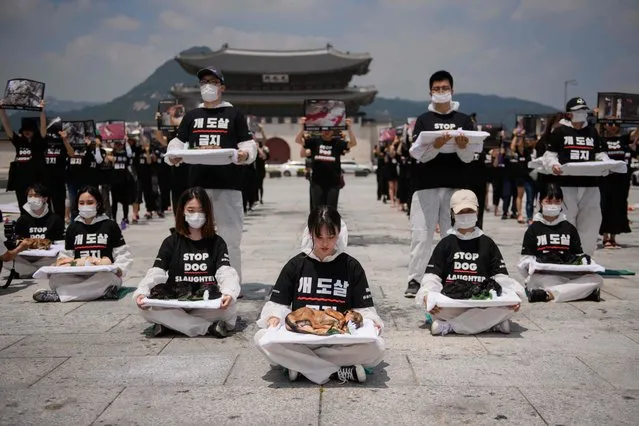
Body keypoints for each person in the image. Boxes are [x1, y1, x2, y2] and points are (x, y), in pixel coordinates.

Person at [255, 206, 384, 384]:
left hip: (338, 339)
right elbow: (278, 304)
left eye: (331, 237)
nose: (325, 243)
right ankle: (337, 371)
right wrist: (273, 317)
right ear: (310, 234)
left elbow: (364, 309)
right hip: (302, 337)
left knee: (376, 347)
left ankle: (302, 366)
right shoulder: (296, 265)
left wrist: (372, 322)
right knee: (262, 338)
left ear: (339, 233)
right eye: (319, 237)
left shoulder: (351, 266)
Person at [166, 66, 257, 286]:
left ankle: (232, 283)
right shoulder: (192, 116)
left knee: (230, 237)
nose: (208, 86)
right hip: (197, 186)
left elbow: (247, 144)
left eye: (213, 82)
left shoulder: (233, 114)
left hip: (228, 184)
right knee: (196, 233)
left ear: (222, 87)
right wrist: (173, 156)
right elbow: (177, 143)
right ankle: (199, 278)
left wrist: (245, 154)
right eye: (204, 82)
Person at [133, 187, 240, 338]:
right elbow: (156, 272)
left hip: (206, 303)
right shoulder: (171, 242)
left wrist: (229, 292)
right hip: (177, 302)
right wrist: (142, 291)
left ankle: (172, 325)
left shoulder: (217, 242)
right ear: (182, 211)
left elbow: (225, 271)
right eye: (191, 210)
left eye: (201, 210)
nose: (196, 215)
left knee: (229, 308)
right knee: (146, 308)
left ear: (208, 212)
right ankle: (208, 328)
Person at [405, 70, 475, 298]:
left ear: (452, 91)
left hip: (456, 186)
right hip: (426, 184)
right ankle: (415, 280)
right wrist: (436, 144)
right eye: (437, 89)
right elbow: (419, 155)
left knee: (453, 234)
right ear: (430, 92)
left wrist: (463, 145)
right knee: (421, 235)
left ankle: (452, 276)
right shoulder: (424, 120)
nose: (441, 92)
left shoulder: (464, 120)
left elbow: (469, 157)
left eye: (445, 88)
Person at [415, 190, 523, 335]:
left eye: (469, 211)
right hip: (453, 303)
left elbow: (501, 277)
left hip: (481, 302)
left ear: (477, 211)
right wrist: (428, 296)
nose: (466, 215)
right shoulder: (446, 244)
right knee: (438, 308)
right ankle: (491, 324)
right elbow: (432, 277)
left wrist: (512, 296)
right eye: (461, 211)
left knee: (506, 308)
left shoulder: (487, 243)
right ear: (452, 213)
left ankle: (449, 326)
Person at [31, 186, 133, 303]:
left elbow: (123, 254)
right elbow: (66, 255)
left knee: (108, 280)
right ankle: (97, 293)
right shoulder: (73, 227)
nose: (85, 205)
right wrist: (61, 265)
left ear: (98, 204)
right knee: (55, 280)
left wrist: (119, 268)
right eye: (82, 203)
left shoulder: (110, 225)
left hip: (104, 275)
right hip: (78, 274)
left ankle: (59, 295)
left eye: (90, 202)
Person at [541, 97, 610, 256]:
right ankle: (566, 256)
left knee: (591, 221)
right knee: (566, 220)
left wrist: (606, 163)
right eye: (577, 111)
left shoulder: (592, 131)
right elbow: (550, 155)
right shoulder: (560, 131)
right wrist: (553, 165)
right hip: (567, 184)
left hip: (590, 184)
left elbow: (600, 153)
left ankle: (585, 257)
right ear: (569, 114)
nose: (581, 113)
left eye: (583, 110)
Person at [520, 184, 603, 302]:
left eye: (557, 201)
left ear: (562, 202)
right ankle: (582, 293)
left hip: (568, 276)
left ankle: (548, 294)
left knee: (597, 279)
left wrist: (585, 267)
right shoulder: (533, 229)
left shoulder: (569, 228)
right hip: (545, 276)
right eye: (549, 201)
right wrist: (533, 266)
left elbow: (579, 256)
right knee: (536, 280)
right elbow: (524, 261)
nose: (553, 205)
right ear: (540, 202)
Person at [295, 118, 357, 211]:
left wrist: (349, 129)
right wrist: (303, 128)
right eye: (324, 129)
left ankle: (330, 226)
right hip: (317, 182)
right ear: (320, 130)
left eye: (329, 129)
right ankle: (317, 226)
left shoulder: (338, 143)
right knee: (317, 210)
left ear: (333, 130)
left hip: (333, 183)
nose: (327, 131)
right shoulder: (315, 141)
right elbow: (298, 140)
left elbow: (353, 143)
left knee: (331, 210)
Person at [0, 101, 47, 213]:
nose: (27, 132)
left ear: (34, 131)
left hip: (36, 181)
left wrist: (42, 110)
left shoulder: (39, 142)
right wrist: (2, 110)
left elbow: (44, 127)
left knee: (38, 207)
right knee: (23, 207)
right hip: (20, 181)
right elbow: (7, 126)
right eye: (25, 130)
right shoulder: (19, 141)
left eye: (29, 130)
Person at [12, 184, 65, 277]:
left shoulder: (55, 219)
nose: (32, 198)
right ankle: (40, 271)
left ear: (45, 199)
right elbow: (16, 241)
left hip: (47, 257)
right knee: (6, 257)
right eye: (30, 196)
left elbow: (61, 243)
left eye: (36, 196)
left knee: (64, 255)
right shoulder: (22, 219)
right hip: (26, 257)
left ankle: (29, 271)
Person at [599, 124, 638, 248]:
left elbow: (636, 134)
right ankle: (605, 237)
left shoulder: (623, 139)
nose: (613, 126)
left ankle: (613, 237)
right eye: (610, 123)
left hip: (621, 181)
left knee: (618, 208)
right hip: (604, 179)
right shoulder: (601, 140)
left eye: (616, 123)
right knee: (603, 207)